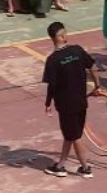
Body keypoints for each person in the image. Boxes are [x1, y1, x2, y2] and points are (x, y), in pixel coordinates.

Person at [40, 21, 99, 178]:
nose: (66, 36)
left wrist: (47, 103)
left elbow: (52, 85)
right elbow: (92, 66)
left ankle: (85, 168)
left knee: (74, 136)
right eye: (63, 34)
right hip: (81, 101)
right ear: (56, 37)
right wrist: (97, 86)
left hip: (66, 104)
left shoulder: (53, 60)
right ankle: (60, 165)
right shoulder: (77, 50)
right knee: (70, 134)